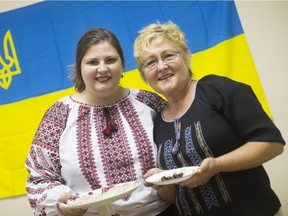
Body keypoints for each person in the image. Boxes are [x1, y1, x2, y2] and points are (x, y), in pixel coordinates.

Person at [133, 21, 286, 216]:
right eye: (150, 62)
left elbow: (272, 143)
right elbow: (173, 198)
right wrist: (163, 183)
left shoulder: (217, 90)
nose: (161, 66)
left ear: (185, 57)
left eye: (168, 55)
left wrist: (218, 165)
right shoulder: (157, 123)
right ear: (144, 74)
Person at [25, 27, 175, 216]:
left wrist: (171, 186)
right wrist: (62, 203)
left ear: (122, 64)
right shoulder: (59, 115)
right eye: (92, 62)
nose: (102, 69)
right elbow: (39, 179)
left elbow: (180, 152)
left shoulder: (149, 102)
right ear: (80, 67)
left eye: (110, 60)